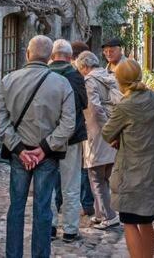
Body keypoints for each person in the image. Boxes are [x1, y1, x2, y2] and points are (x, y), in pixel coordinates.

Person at [0, 35, 76, 258]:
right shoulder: (62, 83)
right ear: (50, 57)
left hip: (19, 154)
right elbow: (69, 123)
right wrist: (45, 148)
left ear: (27, 54)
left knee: (16, 206)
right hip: (46, 156)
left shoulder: (9, 80)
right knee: (42, 207)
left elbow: (0, 121)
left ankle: (14, 254)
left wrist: (19, 149)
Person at [101, 59, 154, 258]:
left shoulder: (125, 105)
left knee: (129, 222)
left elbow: (107, 132)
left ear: (119, 80)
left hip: (131, 170)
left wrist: (118, 139)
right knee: (146, 221)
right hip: (153, 167)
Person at [48, 39, 88, 242]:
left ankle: (50, 227)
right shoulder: (75, 76)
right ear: (70, 56)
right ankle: (71, 230)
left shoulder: (45, 74)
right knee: (70, 184)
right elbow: (83, 102)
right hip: (71, 137)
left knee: (47, 182)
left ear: (52, 55)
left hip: (46, 138)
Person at [76, 50, 120, 229]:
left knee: (95, 175)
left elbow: (93, 108)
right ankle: (100, 212)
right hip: (114, 129)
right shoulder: (110, 76)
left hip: (98, 132)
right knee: (105, 175)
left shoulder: (89, 80)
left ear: (84, 67)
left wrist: (106, 129)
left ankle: (109, 216)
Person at [69, 40, 96, 218]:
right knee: (87, 166)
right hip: (89, 128)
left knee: (83, 167)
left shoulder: (83, 78)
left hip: (84, 127)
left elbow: (89, 105)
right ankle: (88, 203)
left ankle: (86, 203)